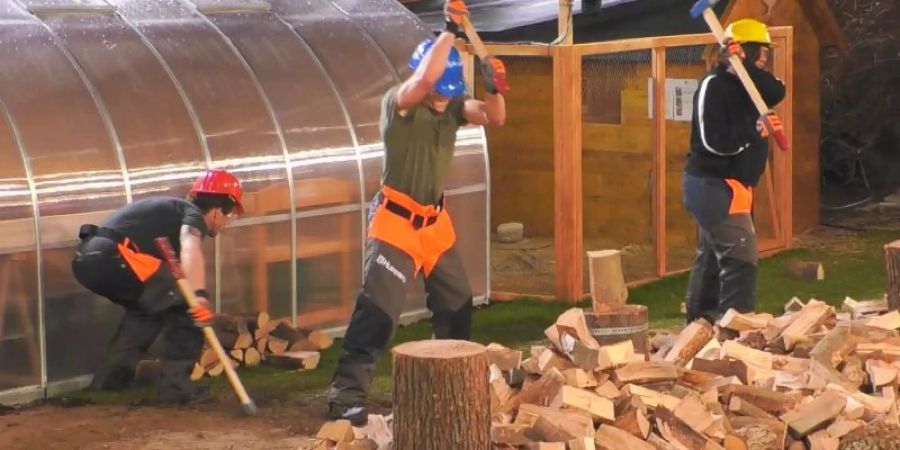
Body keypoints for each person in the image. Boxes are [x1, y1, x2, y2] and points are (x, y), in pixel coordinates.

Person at [327, 0, 507, 425]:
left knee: (457, 306)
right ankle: (344, 396)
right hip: (395, 224)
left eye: (450, 93)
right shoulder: (400, 106)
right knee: (377, 315)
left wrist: (495, 86)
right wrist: (450, 30)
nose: (445, 100)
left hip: (434, 225)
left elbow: (496, 118)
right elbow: (425, 76)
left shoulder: (453, 107)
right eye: (440, 93)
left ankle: (447, 386)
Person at [72, 169, 243, 404]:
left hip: (87, 259)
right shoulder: (192, 215)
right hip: (115, 257)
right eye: (230, 215)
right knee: (187, 309)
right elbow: (190, 246)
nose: (227, 224)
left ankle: (108, 384)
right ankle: (176, 391)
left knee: (146, 312)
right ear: (215, 211)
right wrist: (199, 296)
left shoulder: (172, 211)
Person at [683, 18, 786, 324]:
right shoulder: (712, 87)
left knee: (712, 260)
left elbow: (777, 90)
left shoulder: (751, 83)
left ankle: (699, 327)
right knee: (740, 260)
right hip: (713, 186)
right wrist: (755, 131)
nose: (765, 60)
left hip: (734, 187)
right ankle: (736, 332)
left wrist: (745, 67)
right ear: (749, 49)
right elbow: (714, 143)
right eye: (761, 54)